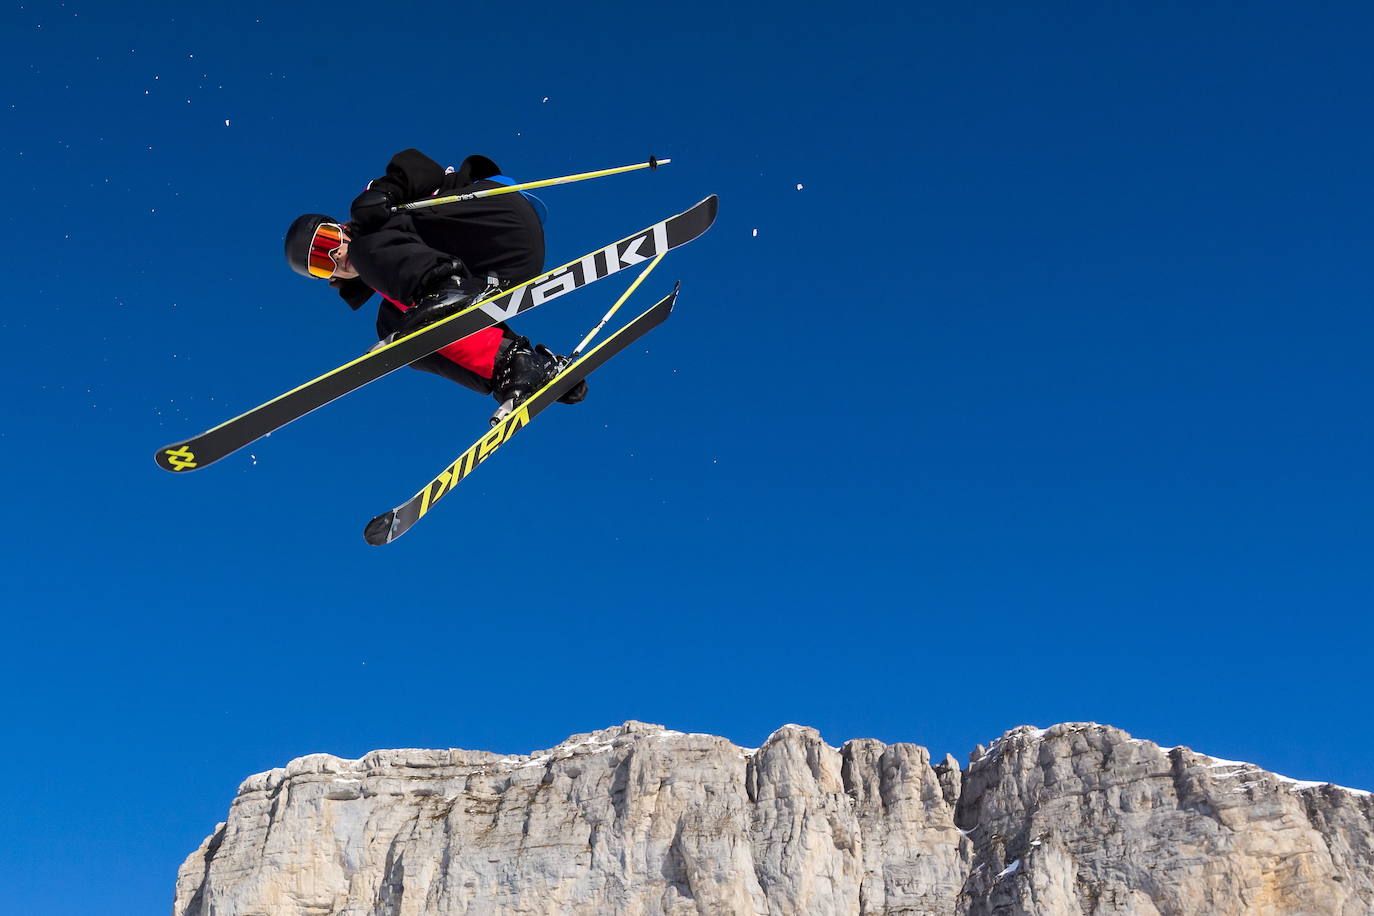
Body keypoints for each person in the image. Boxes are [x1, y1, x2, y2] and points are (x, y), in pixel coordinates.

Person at [283, 148, 585, 409]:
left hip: (495, 219)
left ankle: (444, 287)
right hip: (501, 269)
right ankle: (515, 366)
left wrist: (383, 192)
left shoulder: (371, 225)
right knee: (399, 329)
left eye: (326, 241)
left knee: (374, 257)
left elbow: (418, 166)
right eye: (321, 262)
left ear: (340, 227)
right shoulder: (394, 280)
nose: (335, 255)